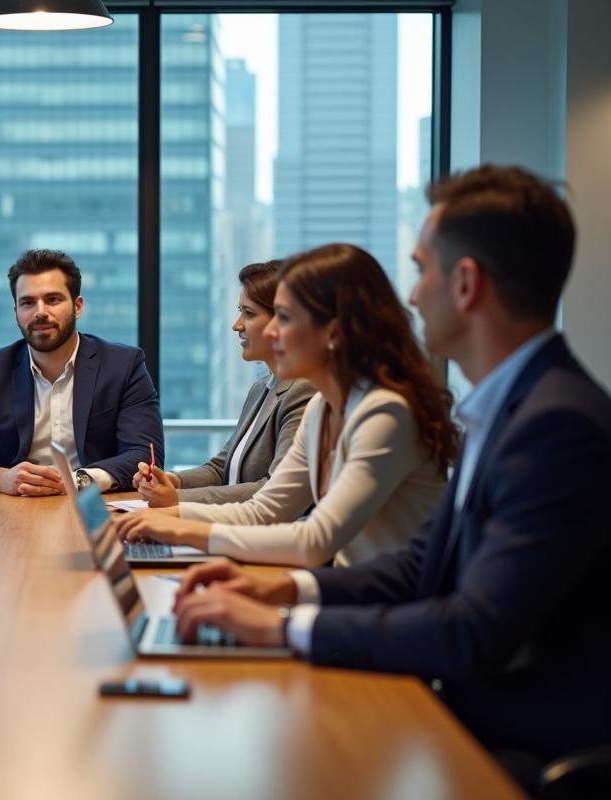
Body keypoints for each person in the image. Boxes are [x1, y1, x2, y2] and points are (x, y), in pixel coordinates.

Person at [163, 165, 610, 791]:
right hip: (458, 702)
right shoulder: (509, 408)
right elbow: (418, 568)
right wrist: (283, 594)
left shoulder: (555, 425)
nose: (412, 294)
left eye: (421, 269)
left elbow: (470, 630)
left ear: (466, 284)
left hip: (516, 742)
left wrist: (283, 626)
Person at [115, 243, 456, 568]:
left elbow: (315, 539)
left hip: (387, 609)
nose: (273, 332)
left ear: (333, 333)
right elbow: (264, 511)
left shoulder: (385, 413)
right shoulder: (323, 408)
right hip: (348, 591)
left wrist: (177, 525)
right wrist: (163, 517)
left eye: (285, 317)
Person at [0, 249, 164, 496]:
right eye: (28, 302)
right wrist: (0, 478)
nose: (40, 312)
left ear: (77, 306)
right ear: (16, 313)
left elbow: (145, 456)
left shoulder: (124, 366)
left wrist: (77, 481)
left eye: (53, 300)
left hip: (96, 511)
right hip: (14, 511)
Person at [131, 260, 316, 508]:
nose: (237, 325)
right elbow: (221, 469)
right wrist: (174, 482)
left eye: (249, 314)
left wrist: (176, 499)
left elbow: (273, 489)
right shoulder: (261, 388)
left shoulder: (303, 390)